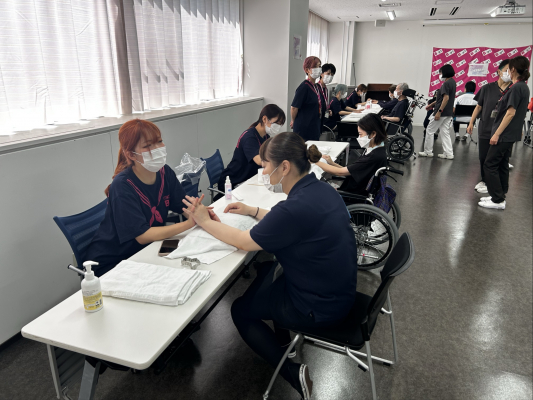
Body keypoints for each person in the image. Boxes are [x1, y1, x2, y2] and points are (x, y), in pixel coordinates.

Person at [182, 132, 358, 400]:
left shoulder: (295, 208)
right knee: (267, 270)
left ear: (284, 167)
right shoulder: (319, 189)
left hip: (319, 307)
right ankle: (284, 342)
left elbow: (243, 241)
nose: (263, 171)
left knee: (240, 310)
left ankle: (292, 373)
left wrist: (204, 221)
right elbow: (286, 220)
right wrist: (252, 211)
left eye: (266, 165)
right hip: (337, 289)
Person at [84, 119, 217, 277]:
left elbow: (184, 205)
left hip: (148, 250)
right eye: (147, 145)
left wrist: (199, 212)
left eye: (159, 141)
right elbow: (142, 236)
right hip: (114, 262)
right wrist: (189, 223)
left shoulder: (164, 172)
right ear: (131, 154)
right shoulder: (122, 185)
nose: (157, 148)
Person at [478, 56, 531, 210]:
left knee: (490, 164)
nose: (506, 71)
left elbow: (510, 113)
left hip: (504, 134)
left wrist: (496, 134)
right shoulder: (521, 87)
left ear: (512, 69)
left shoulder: (516, 88)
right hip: (509, 133)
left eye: (508, 69)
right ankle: (499, 194)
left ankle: (498, 199)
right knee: (501, 164)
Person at [217, 104, 286, 196]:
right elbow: (259, 160)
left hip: (249, 179)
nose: (278, 127)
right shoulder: (249, 137)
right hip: (234, 181)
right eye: (276, 123)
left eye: (280, 124)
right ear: (264, 119)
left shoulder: (265, 136)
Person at [466, 60, 512, 194]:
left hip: (503, 131)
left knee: (501, 160)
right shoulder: (487, 88)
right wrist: (471, 122)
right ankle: (485, 180)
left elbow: (514, 112)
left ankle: (497, 186)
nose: (509, 73)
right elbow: (478, 107)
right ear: (499, 71)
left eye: (511, 70)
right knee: (483, 158)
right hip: (485, 127)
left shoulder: (513, 90)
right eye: (507, 70)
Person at [314, 113, 388, 195]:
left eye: (360, 134)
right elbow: (350, 171)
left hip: (352, 195)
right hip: (353, 189)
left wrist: (315, 161)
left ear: (373, 134)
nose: (358, 138)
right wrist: (332, 163)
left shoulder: (373, 157)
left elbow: (340, 172)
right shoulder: (376, 150)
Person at [419, 64, 457, 159]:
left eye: (440, 73)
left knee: (430, 130)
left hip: (442, 112)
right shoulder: (453, 82)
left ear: (444, 72)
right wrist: (431, 105)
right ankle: (449, 153)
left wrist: (439, 111)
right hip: (448, 113)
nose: (439, 75)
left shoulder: (445, 84)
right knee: (445, 132)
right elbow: (442, 98)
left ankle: (428, 152)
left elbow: (446, 98)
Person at [291, 56, 323, 141]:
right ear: (307, 70)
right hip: (304, 128)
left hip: (314, 125)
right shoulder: (304, 87)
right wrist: (293, 121)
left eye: (320, 66)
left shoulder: (316, 86)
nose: (319, 69)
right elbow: (294, 107)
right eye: (315, 66)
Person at [318, 63, 336, 129]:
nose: (330, 76)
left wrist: (327, 110)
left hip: (323, 117)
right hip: (317, 119)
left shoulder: (325, 88)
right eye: (328, 74)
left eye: (332, 74)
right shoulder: (316, 88)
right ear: (321, 74)